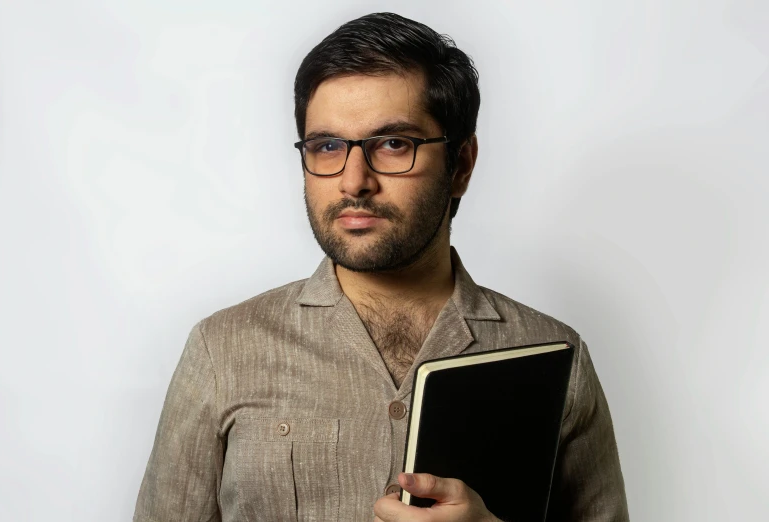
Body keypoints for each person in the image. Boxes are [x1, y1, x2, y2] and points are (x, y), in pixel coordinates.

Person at [133, 12, 629, 522]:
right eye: (327, 146)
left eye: (393, 144)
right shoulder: (223, 350)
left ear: (460, 165)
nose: (353, 181)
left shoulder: (554, 356)